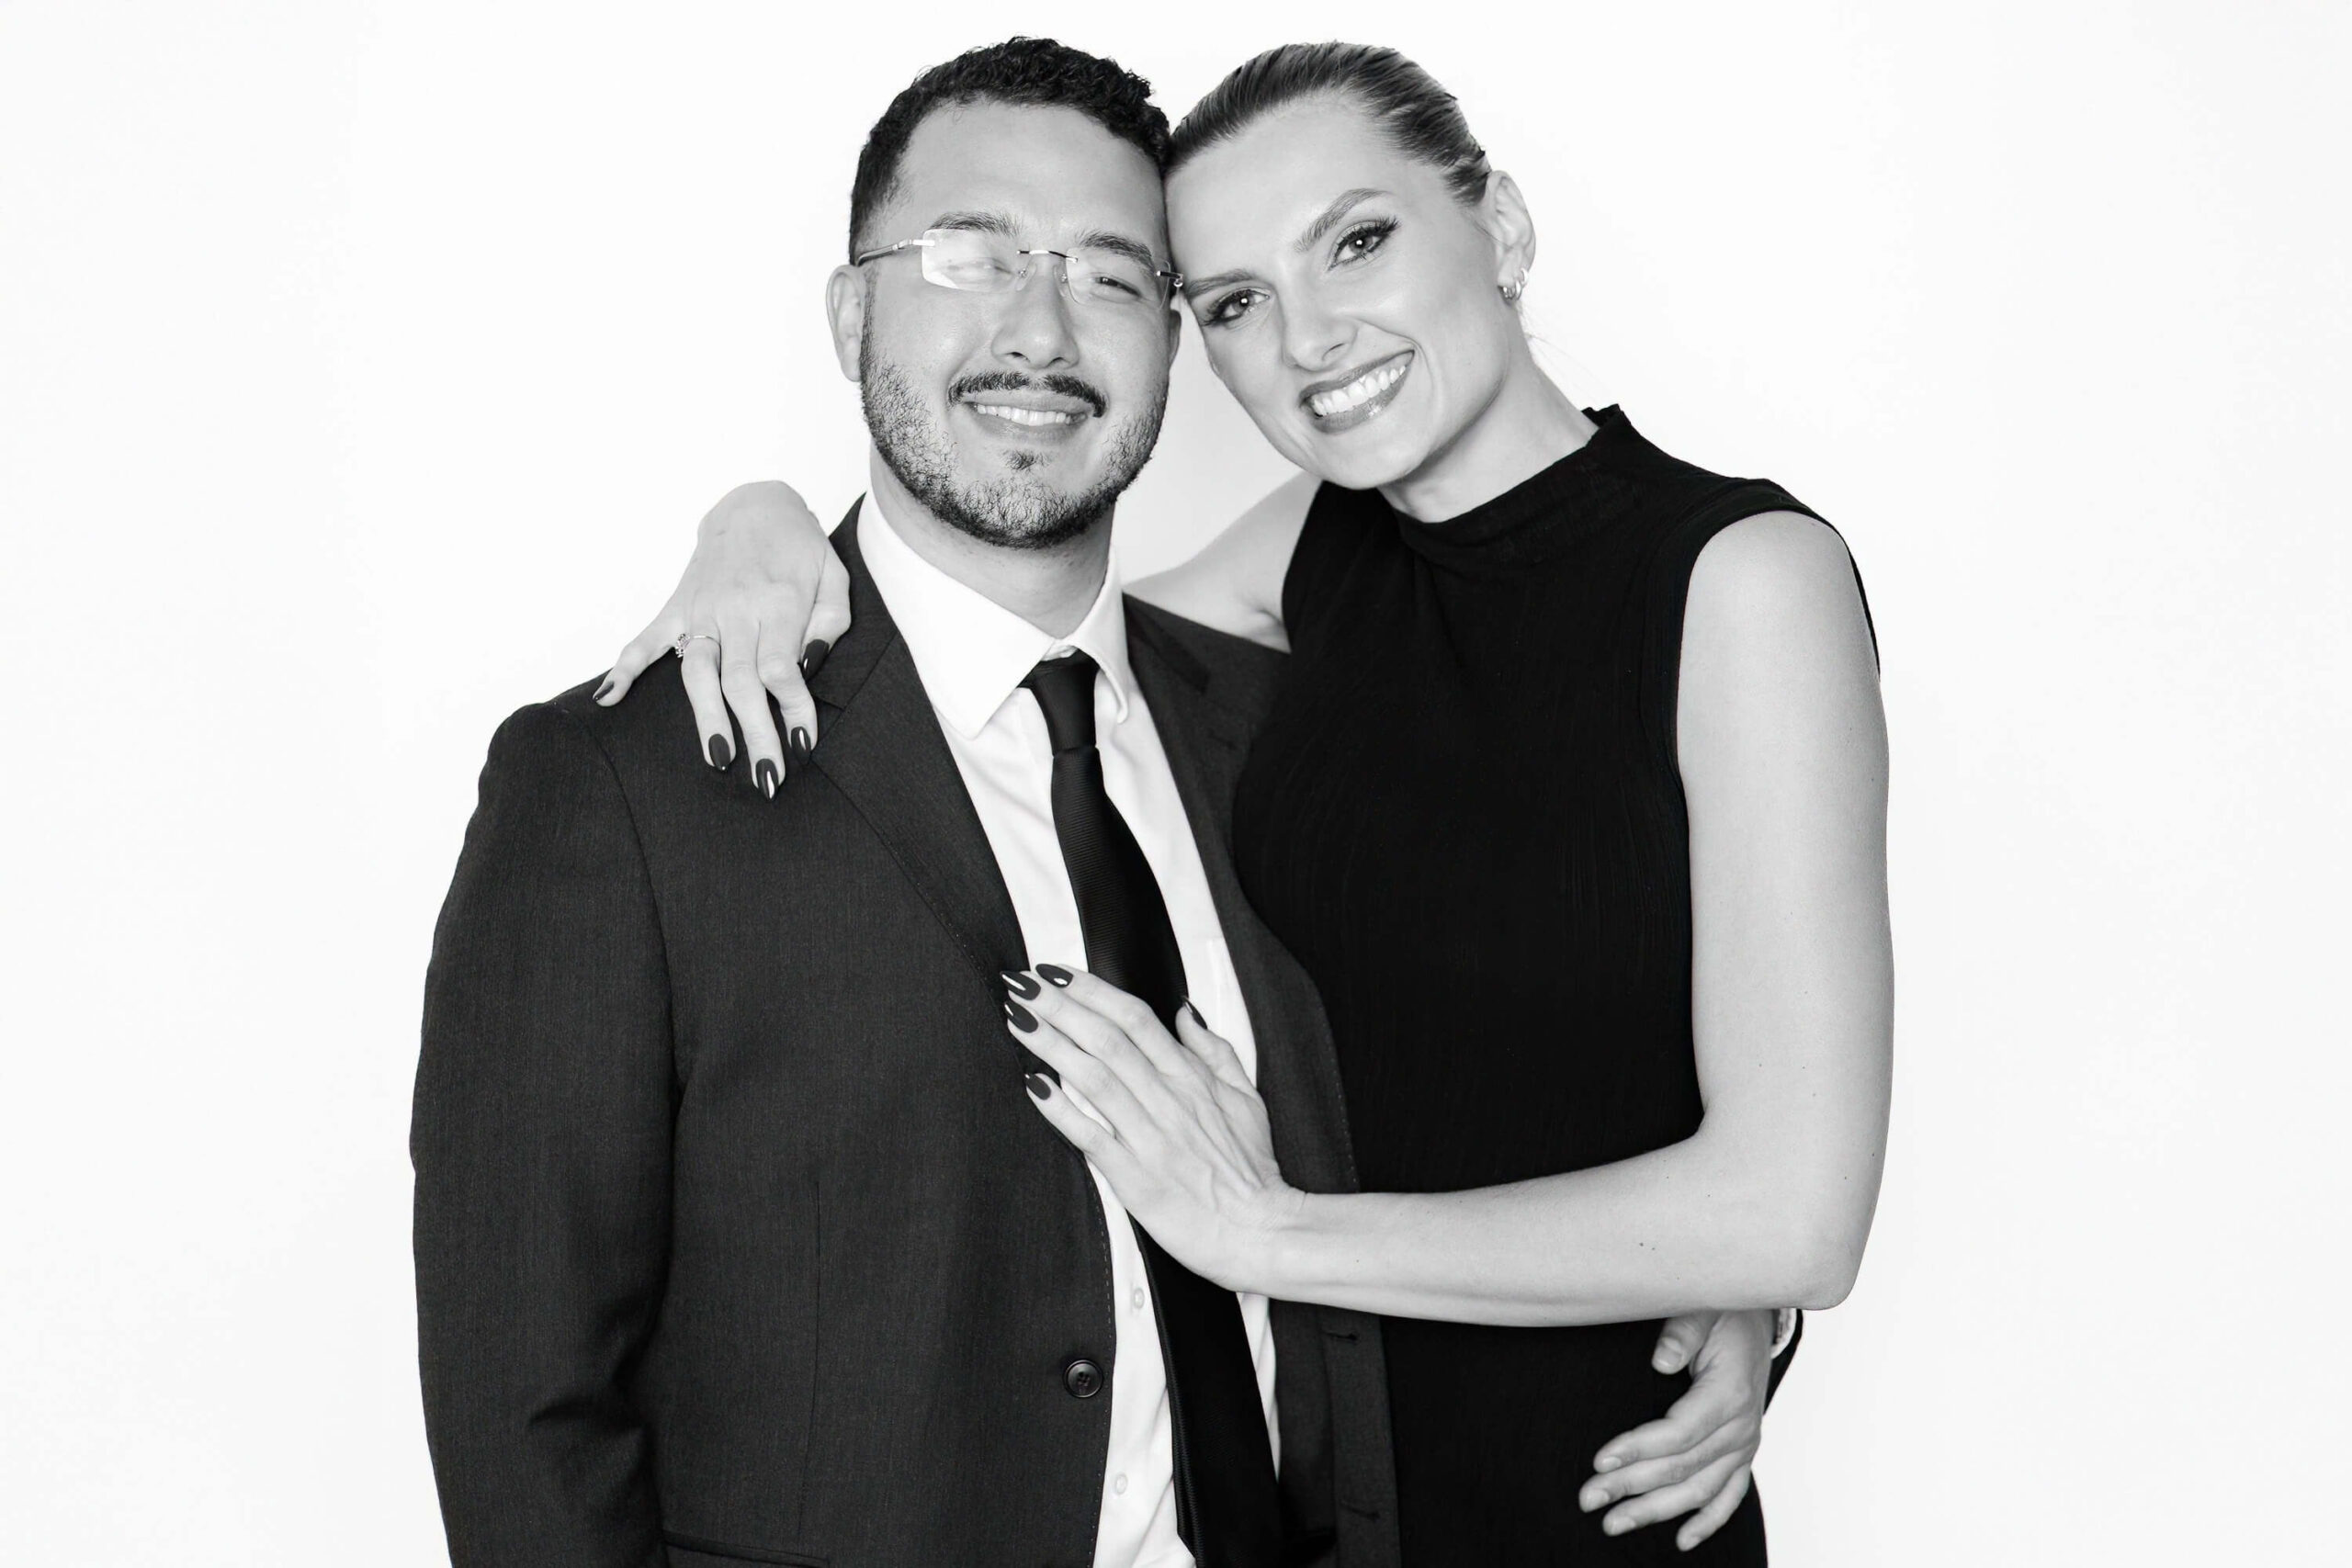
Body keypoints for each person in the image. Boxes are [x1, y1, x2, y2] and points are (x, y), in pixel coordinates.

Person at [416, 39, 1781, 1568]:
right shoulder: (619, 787)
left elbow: (1519, 1053)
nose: (1040, 327)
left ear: (1174, 349)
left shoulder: (1284, 723)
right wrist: (759, 509)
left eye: (1116, 277)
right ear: (852, 310)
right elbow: (526, 1417)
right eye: (972, 253)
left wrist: (1726, 1280)